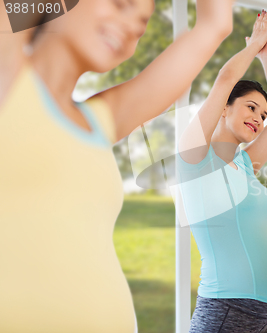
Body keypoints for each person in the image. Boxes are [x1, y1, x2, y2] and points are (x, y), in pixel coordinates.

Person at [0, 0, 233, 332]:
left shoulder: (99, 121)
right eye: (121, 4)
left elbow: (214, 25)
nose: (130, 27)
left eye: (142, 23)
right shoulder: (6, 76)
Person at [176, 10, 267, 333]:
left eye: (262, 114)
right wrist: (253, 46)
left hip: (266, 313)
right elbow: (225, 80)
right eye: (251, 107)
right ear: (225, 107)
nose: (259, 118)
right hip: (227, 308)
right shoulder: (195, 157)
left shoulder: (244, 163)